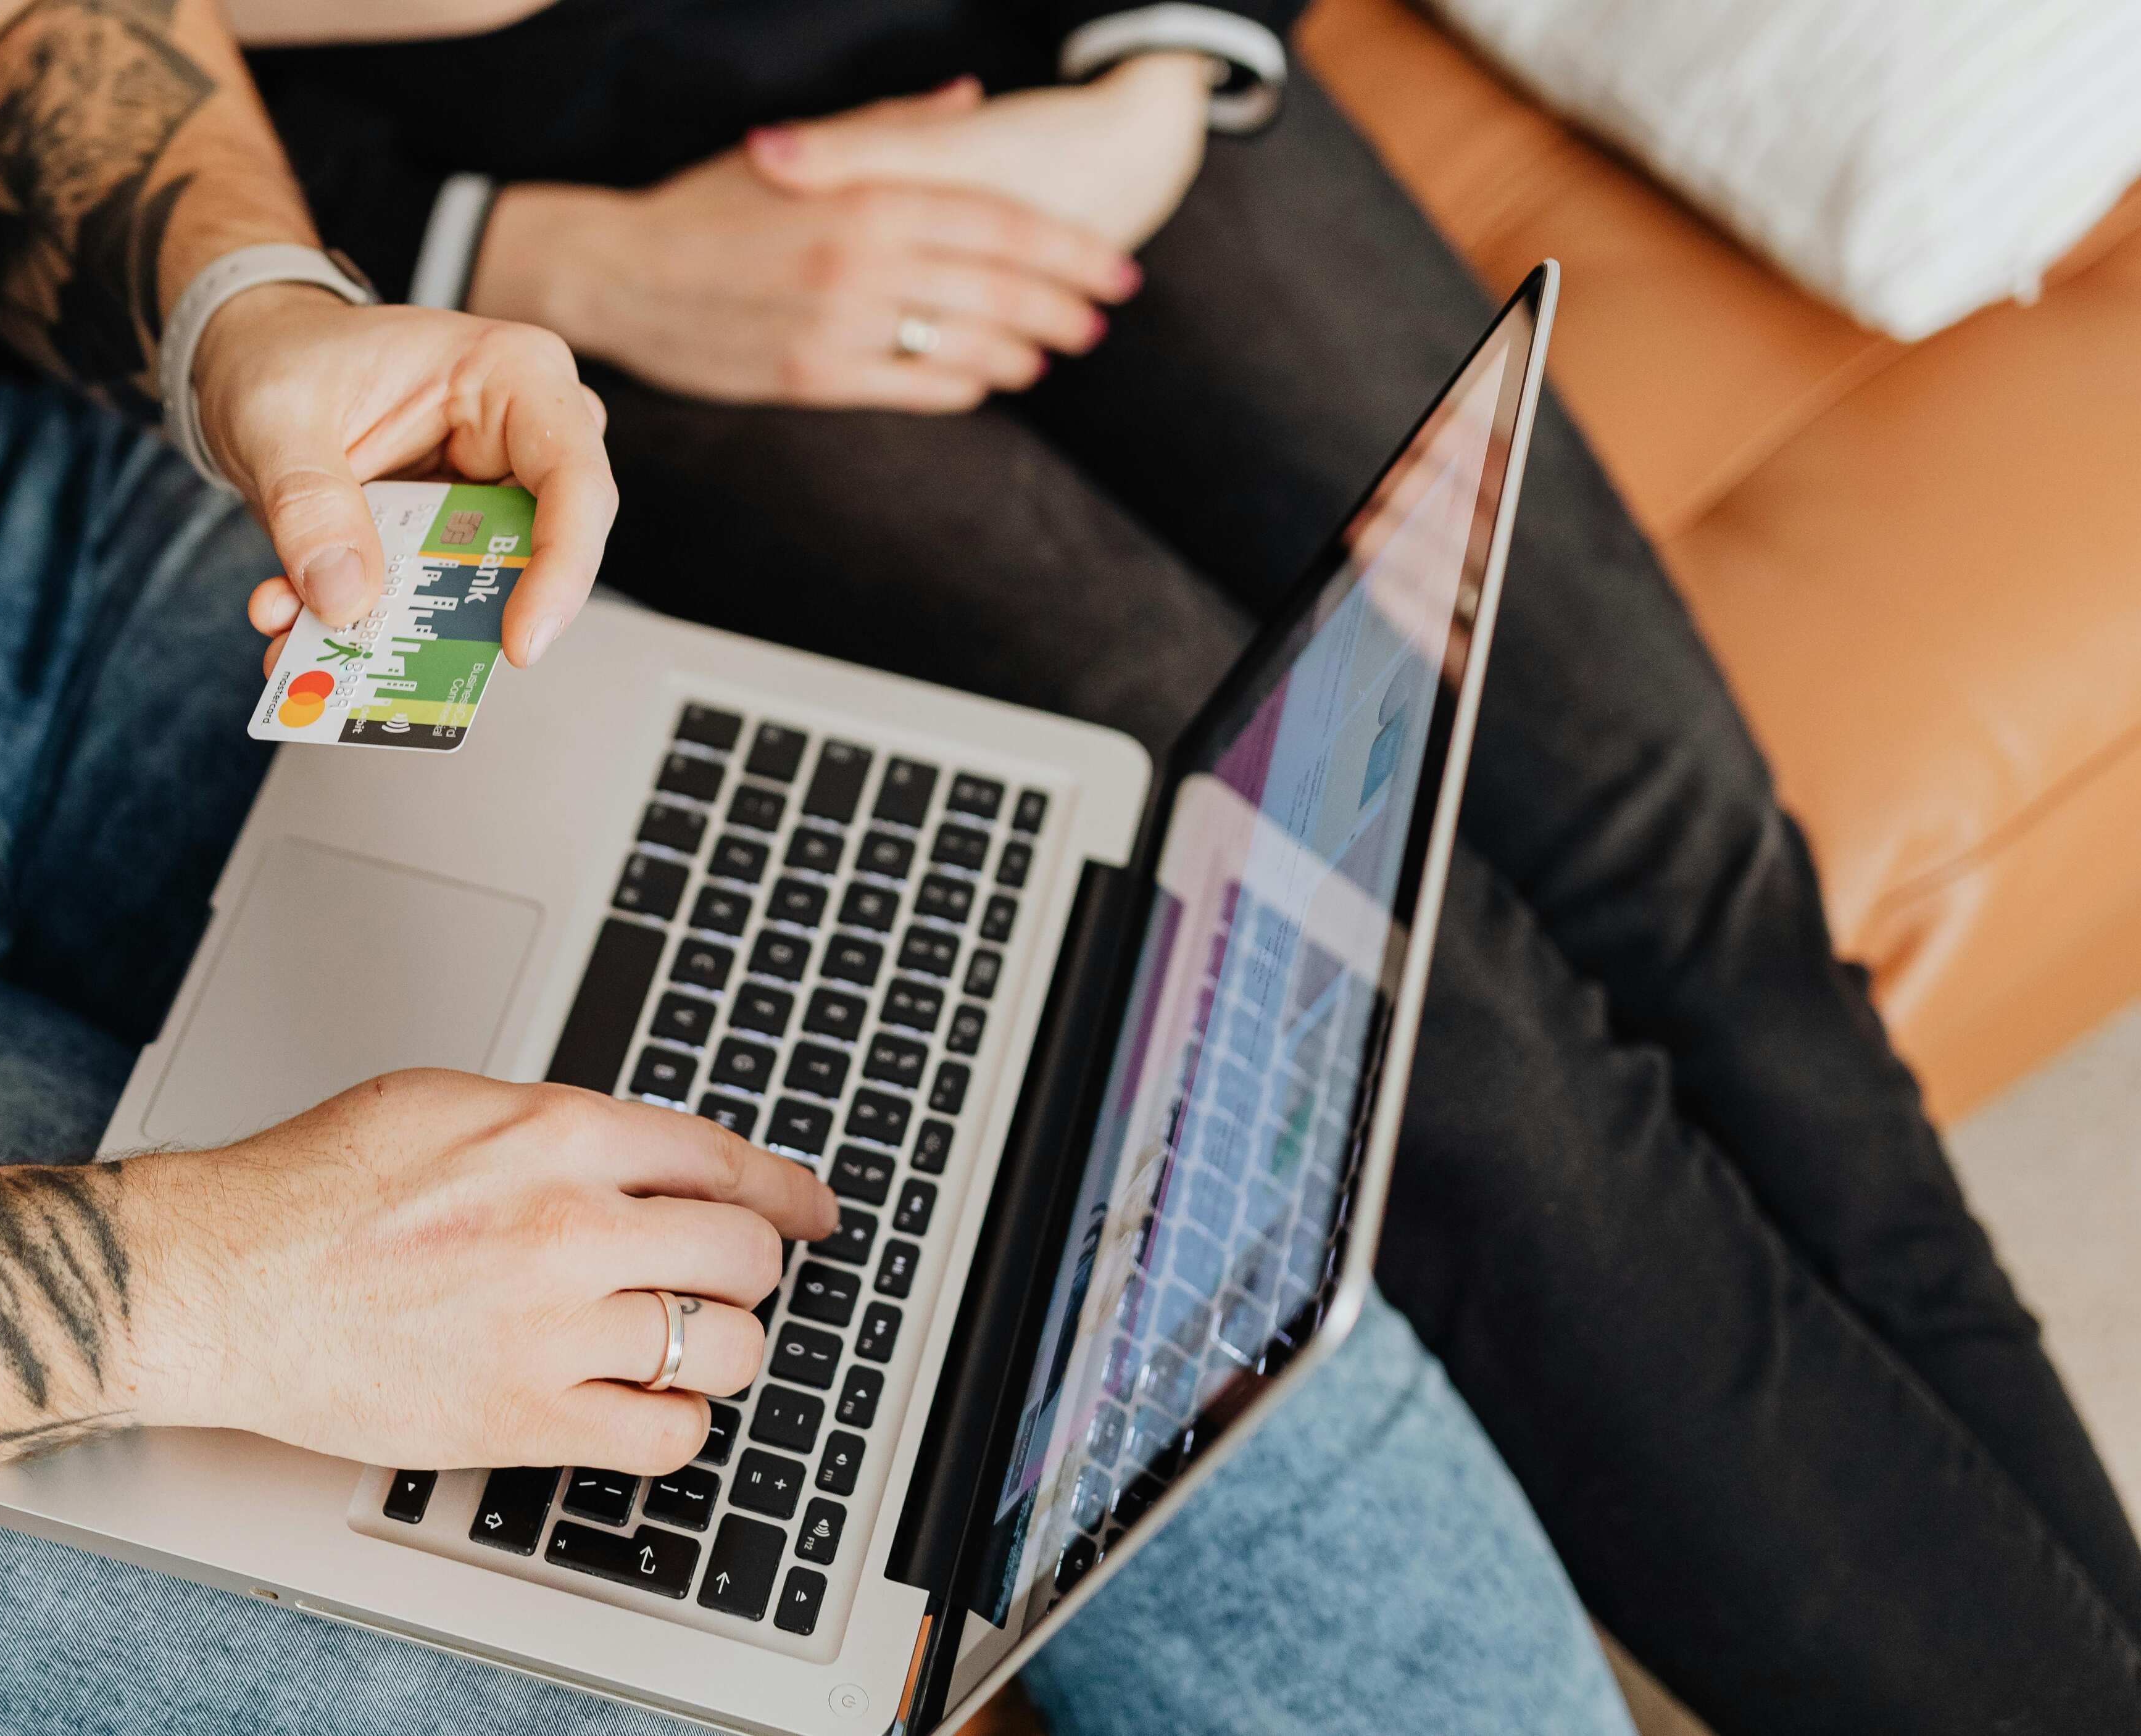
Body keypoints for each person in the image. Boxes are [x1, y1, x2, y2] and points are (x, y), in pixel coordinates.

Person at [0, 0, 1645, 1731]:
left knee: (1118, 1199)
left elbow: (9, 19)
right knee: (625, 1668)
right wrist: (202, 1283)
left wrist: (256, 318)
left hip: (35, 549)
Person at [237, 2, 2141, 1730]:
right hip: (582, 249)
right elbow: (67, 72)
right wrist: (518, 254)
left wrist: (1162, 80)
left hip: (1101, 63)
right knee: (1424, 1035)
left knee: (1702, 871)